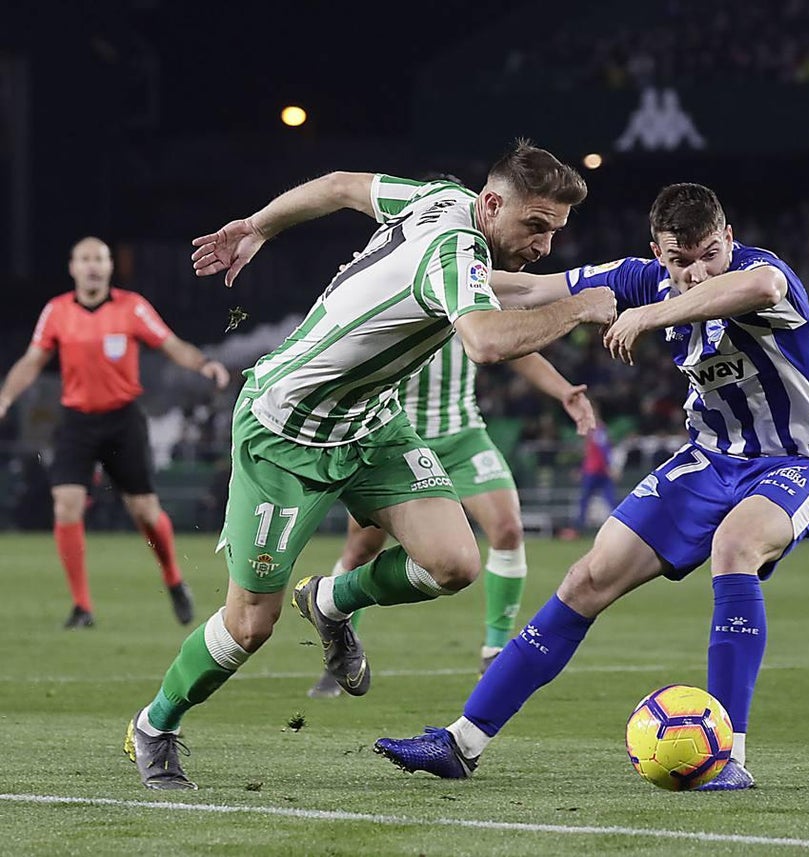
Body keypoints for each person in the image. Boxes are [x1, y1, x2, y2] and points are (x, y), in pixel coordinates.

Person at [123, 141, 616, 790]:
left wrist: (259, 225)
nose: (545, 244)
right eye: (535, 226)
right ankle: (154, 726)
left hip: (371, 422)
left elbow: (337, 184)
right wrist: (579, 307)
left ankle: (329, 600)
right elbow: (487, 340)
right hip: (285, 433)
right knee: (249, 625)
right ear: (492, 204)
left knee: (456, 562)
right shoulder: (453, 253)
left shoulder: (441, 199)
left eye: (556, 230)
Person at [375, 182, 809, 791]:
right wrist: (427, 271)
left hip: (801, 459)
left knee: (736, 547)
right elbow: (534, 287)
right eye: (682, 261)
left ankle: (729, 756)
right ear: (658, 253)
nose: (700, 272)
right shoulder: (638, 277)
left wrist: (648, 314)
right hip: (709, 460)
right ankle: (461, 742)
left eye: (711, 253)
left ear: (728, 238)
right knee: (586, 579)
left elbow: (760, 288)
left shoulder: (759, 274)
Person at [307, 343, 597, 698]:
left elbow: (510, 344)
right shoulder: (390, 292)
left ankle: (494, 653)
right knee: (361, 549)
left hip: (462, 436)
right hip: (398, 439)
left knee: (507, 529)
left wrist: (562, 389)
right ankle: (338, 647)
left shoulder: (471, 289)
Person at [0, 236, 230, 629]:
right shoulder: (56, 312)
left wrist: (204, 363)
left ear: (110, 267)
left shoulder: (132, 308)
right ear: (72, 267)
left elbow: (171, 344)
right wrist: (5, 397)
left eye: (100, 259)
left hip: (123, 421)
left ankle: (174, 580)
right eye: (85, 259)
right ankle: (82, 607)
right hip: (76, 421)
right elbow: (33, 360)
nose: (92, 266)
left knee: (144, 511)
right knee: (66, 505)